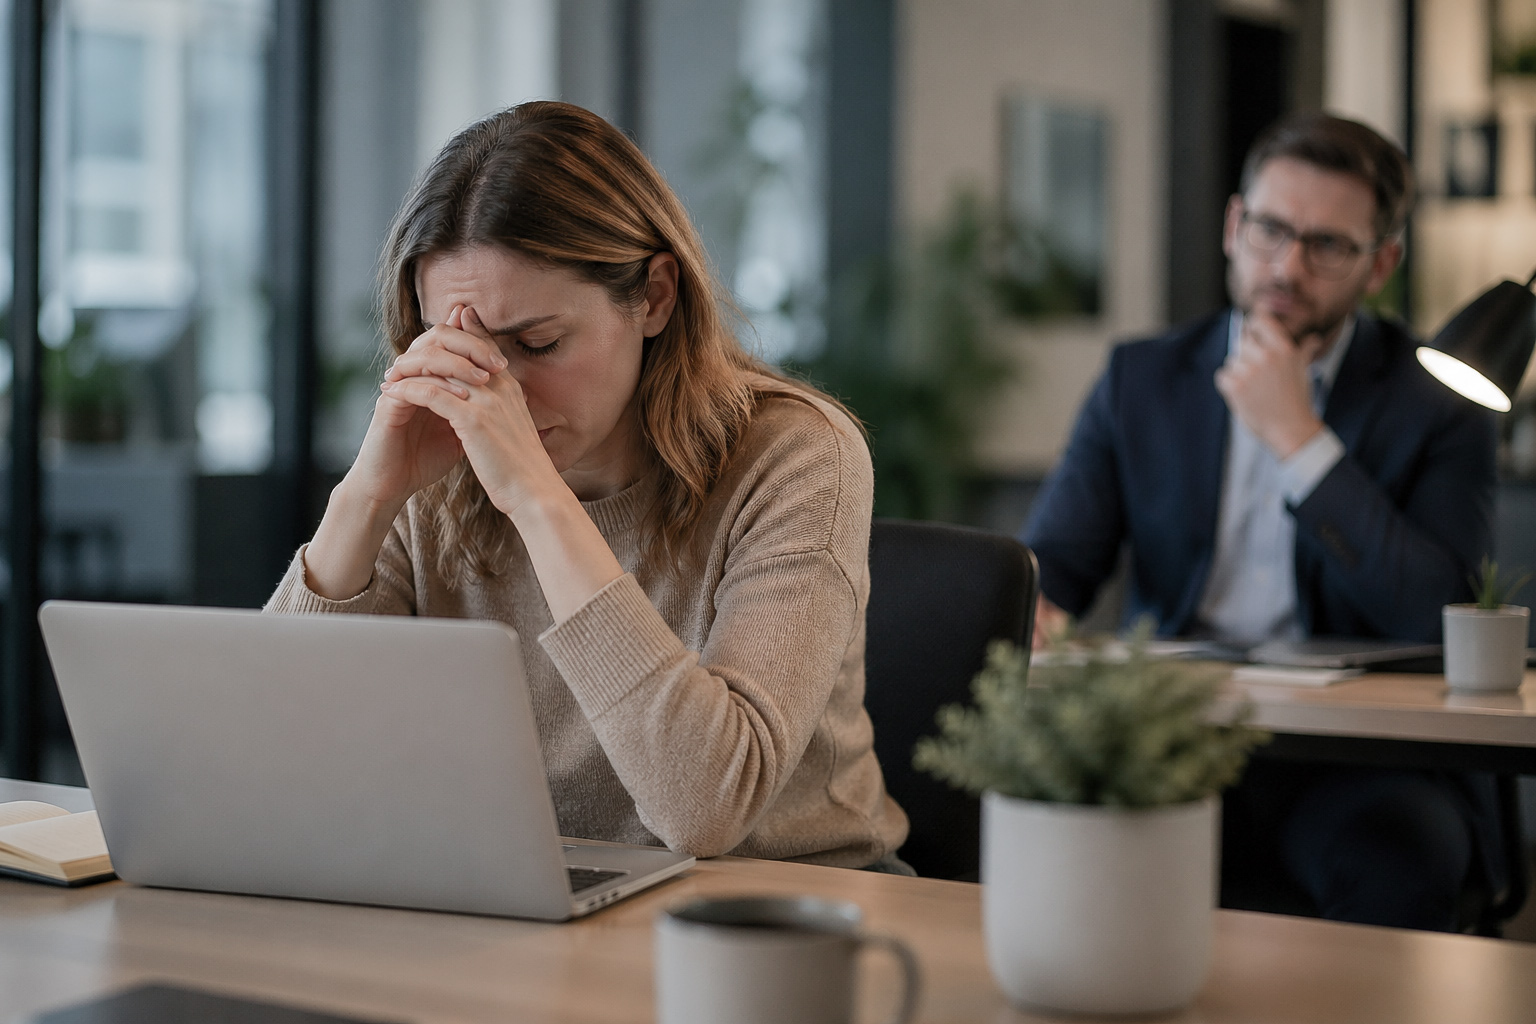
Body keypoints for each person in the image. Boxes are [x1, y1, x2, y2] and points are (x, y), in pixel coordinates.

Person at [266, 101, 909, 871]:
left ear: (655, 297)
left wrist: (539, 497)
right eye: (458, 346)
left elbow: (705, 809)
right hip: (525, 893)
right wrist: (367, 497)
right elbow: (275, 760)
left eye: (537, 342)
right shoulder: (436, 463)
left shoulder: (799, 458)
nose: (495, 389)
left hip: (777, 913)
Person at [1023, 112, 1502, 931]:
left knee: (1402, 859)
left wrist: (1299, 441)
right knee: (1029, 836)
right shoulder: (1144, 379)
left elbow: (1443, 610)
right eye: (1272, 230)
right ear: (1234, 225)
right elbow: (1049, 571)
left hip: (1361, 762)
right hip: (1174, 737)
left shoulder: (1438, 404)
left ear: (1380, 264)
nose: (1287, 266)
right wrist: (1030, 610)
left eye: (1327, 245)